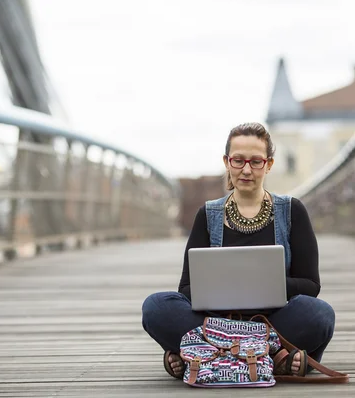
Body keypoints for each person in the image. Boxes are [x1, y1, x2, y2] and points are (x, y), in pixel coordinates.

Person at [141, 122, 335, 379]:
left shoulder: (291, 211)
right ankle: (274, 357)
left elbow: (311, 285)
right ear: (226, 162)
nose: (246, 169)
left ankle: (203, 355)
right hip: (215, 323)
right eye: (238, 160)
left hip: (274, 322)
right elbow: (186, 289)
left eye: (255, 161)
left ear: (269, 164)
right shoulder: (208, 215)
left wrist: (263, 285)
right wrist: (220, 292)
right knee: (155, 306)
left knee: (319, 314)